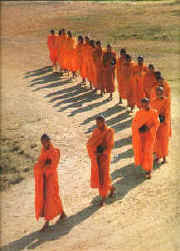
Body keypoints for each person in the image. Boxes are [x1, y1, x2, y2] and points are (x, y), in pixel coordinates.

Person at [34, 134, 66, 232]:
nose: (44, 144)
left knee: (50, 197)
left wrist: (45, 166)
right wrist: (43, 166)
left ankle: (47, 221)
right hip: (44, 178)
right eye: (42, 142)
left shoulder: (54, 152)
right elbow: (39, 164)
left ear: (49, 141)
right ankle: (62, 213)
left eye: (45, 141)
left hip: (51, 178)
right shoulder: (43, 151)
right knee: (52, 197)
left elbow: (53, 166)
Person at [87, 116, 115, 206]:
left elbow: (110, 145)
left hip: (105, 157)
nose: (98, 124)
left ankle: (103, 198)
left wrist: (102, 152)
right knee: (100, 176)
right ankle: (111, 188)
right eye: (96, 123)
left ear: (104, 122)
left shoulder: (109, 131)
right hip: (96, 157)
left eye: (99, 122)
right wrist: (95, 151)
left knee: (103, 176)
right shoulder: (95, 131)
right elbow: (90, 143)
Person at [132, 98, 160, 179]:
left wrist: (148, 127)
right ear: (141, 105)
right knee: (142, 151)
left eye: (146, 104)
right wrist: (139, 128)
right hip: (141, 136)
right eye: (143, 104)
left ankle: (149, 170)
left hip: (150, 136)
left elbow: (157, 122)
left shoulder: (153, 112)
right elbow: (134, 124)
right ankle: (145, 167)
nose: (145, 106)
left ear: (149, 103)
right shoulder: (138, 113)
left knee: (148, 152)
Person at [151, 87, 171, 164]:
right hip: (155, 124)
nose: (159, 94)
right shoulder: (153, 101)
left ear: (163, 92)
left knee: (164, 141)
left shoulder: (166, 100)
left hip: (164, 124)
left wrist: (162, 119)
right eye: (157, 92)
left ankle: (164, 158)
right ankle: (158, 156)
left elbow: (167, 112)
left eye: (160, 92)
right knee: (156, 141)